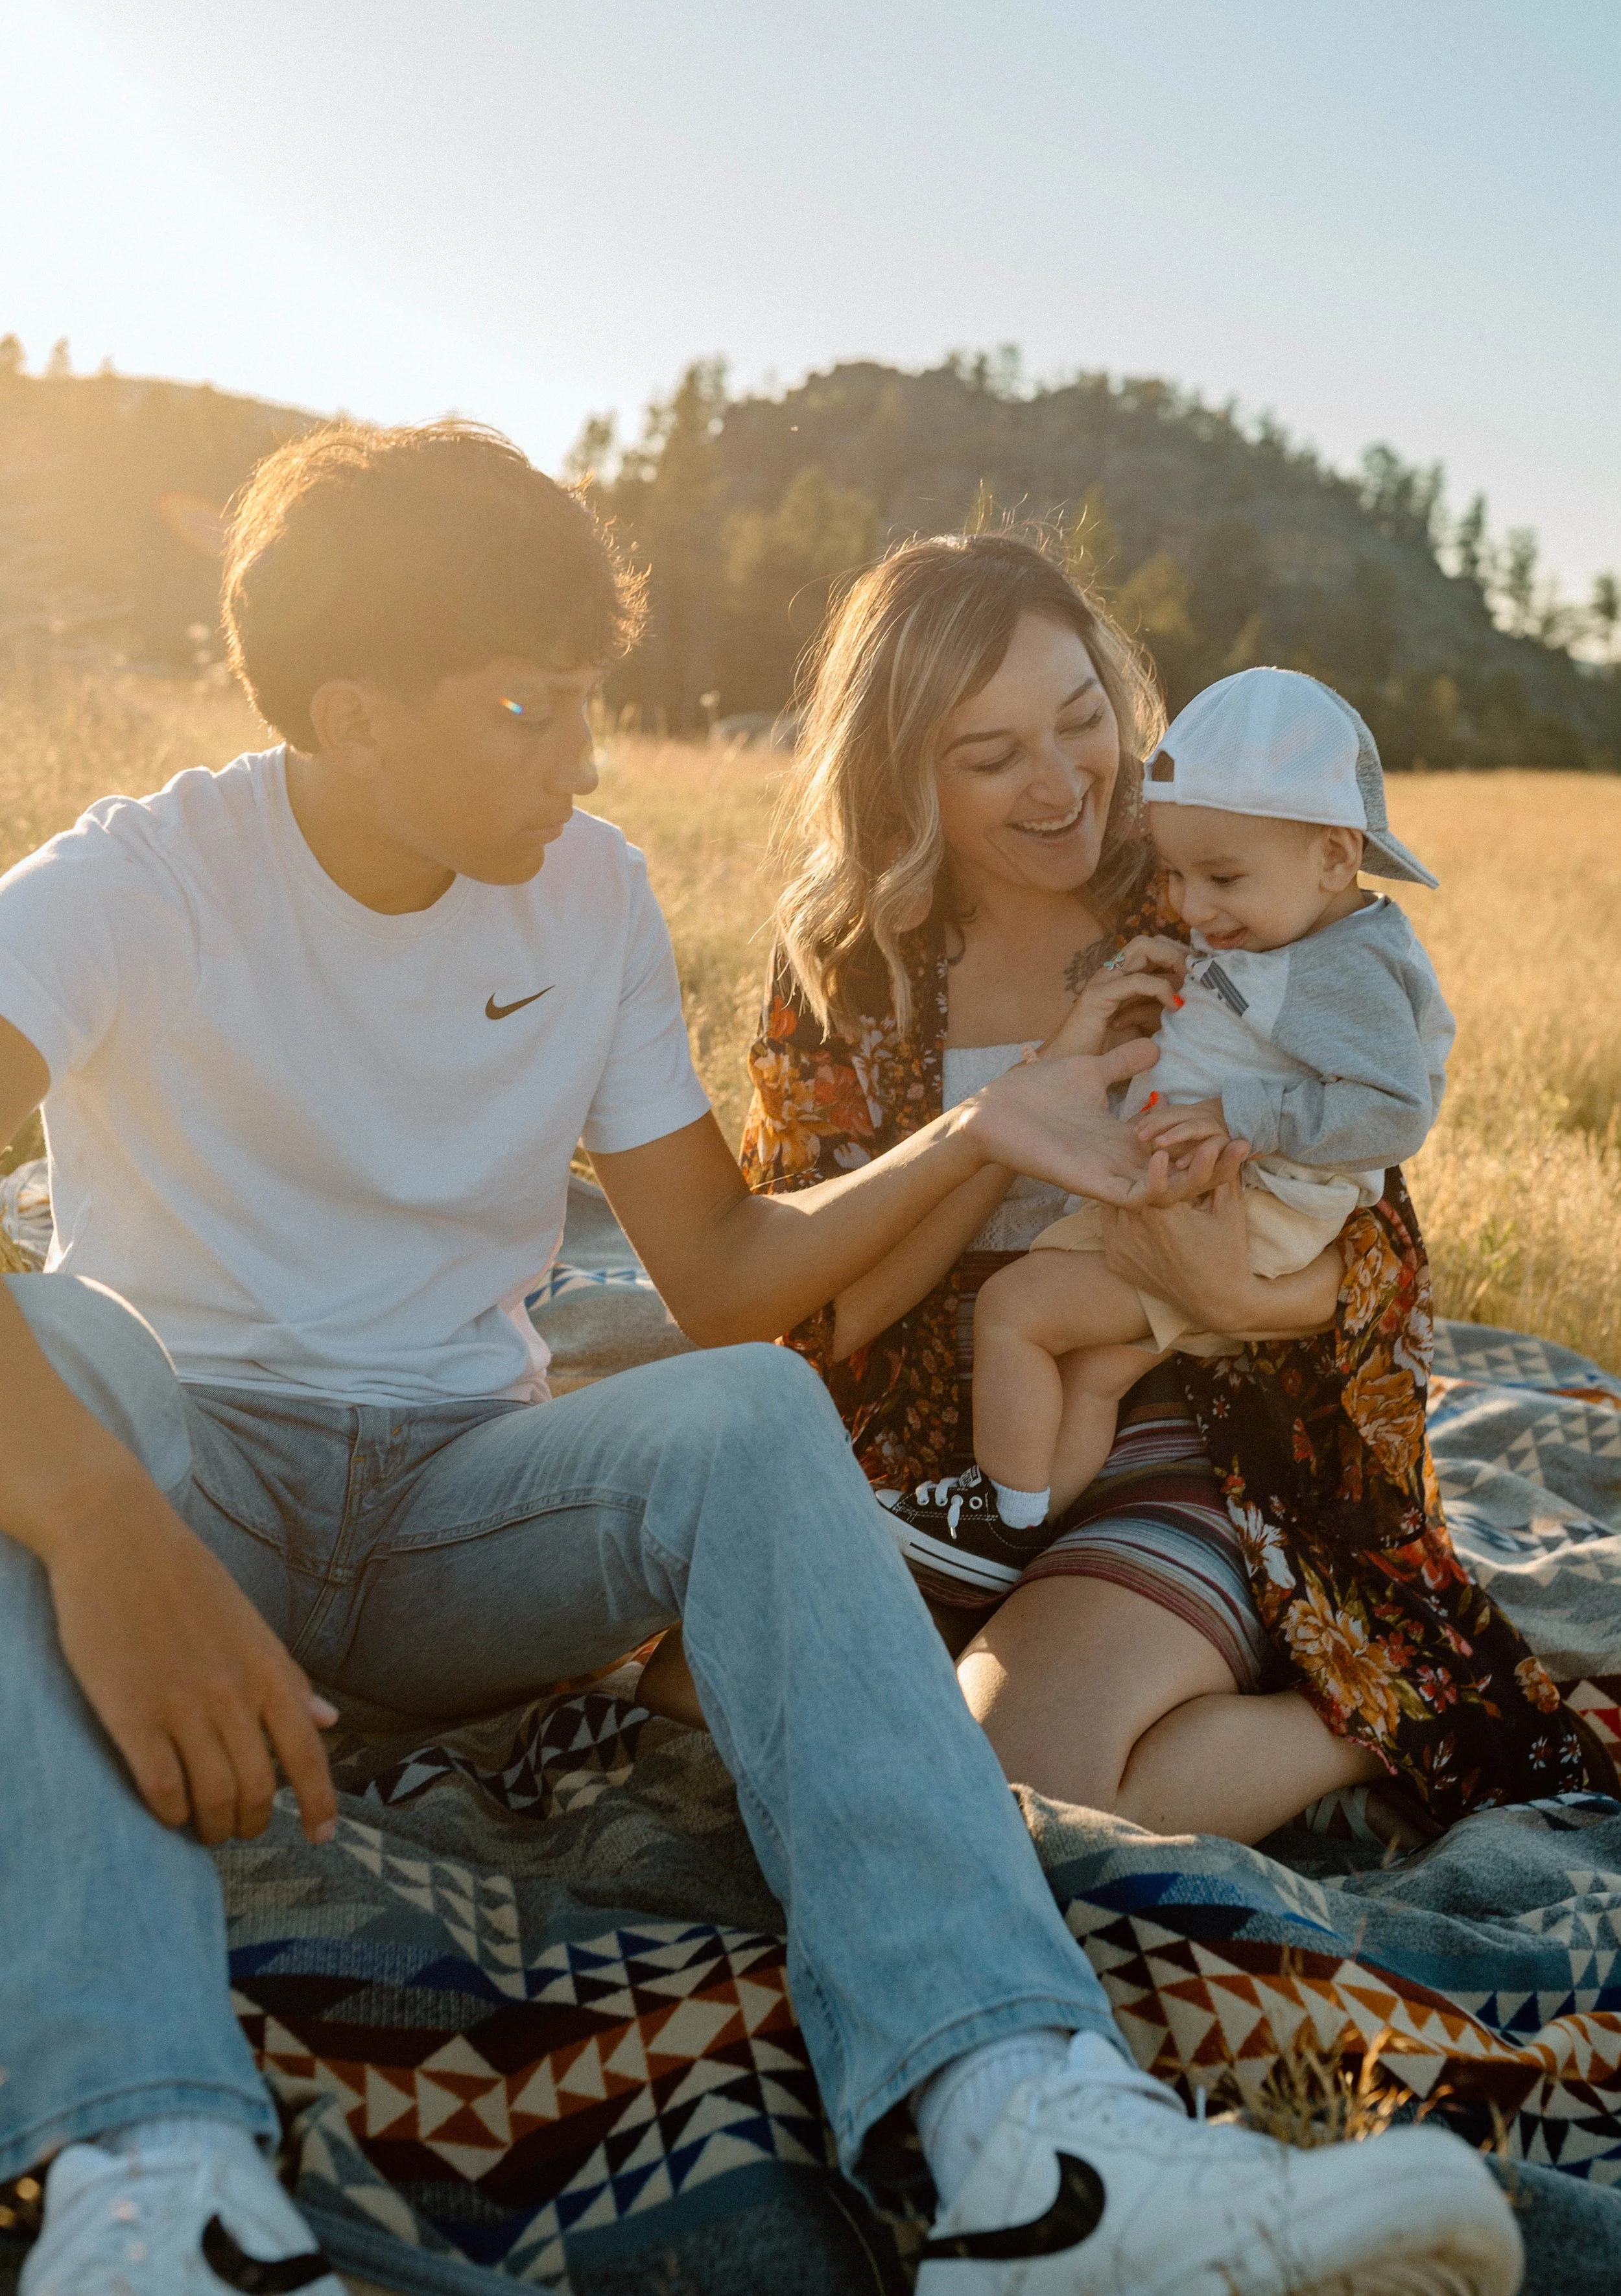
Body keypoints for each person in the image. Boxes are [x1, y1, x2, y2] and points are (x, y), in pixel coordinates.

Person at [0, 423, 1521, 2296]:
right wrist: (99, 1524)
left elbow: (725, 1283)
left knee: (749, 1406)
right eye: (525, 708)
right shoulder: (143, 876)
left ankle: (1030, 2142)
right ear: (352, 714)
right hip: (193, 1496)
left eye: (588, 702)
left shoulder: (593, 890)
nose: (582, 752)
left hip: (452, 1511)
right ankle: (146, 2189)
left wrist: (983, 1135)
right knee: (58, 1360)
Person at [742, 530, 1607, 1847]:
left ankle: (1381, 1715)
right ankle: (1155, 1633)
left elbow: (1373, 1229)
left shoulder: (1207, 882)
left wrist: (1232, 1296)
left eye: (1082, 720)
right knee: (714, 1693)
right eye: (990, 757)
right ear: (900, 776)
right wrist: (998, 1125)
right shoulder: (849, 968)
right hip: (939, 1449)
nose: (1061, 787)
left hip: (1209, 1421)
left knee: (1016, 1778)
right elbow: (818, 1315)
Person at [918, 664, 1455, 1550]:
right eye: (1174, 874)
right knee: (1093, 1372)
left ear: (1334, 854)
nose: (1192, 908)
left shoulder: (1342, 966)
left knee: (1013, 1311)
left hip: (1239, 1214)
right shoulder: (1298, 927)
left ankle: (990, 1520)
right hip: (1215, 1201)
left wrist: (1240, 1112)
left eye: (1222, 877)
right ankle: (1032, 1518)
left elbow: (1396, 1114)